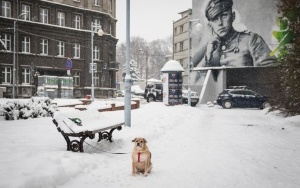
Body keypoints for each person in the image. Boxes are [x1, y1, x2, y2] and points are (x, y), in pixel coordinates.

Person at [192, 0, 276, 67]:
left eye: (224, 16)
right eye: (215, 20)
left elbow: (269, 69)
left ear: (233, 16)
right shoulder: (211, 47)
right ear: (210, 25)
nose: (220, 23)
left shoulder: (251, 40)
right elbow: (201, 81)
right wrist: (209, 56)